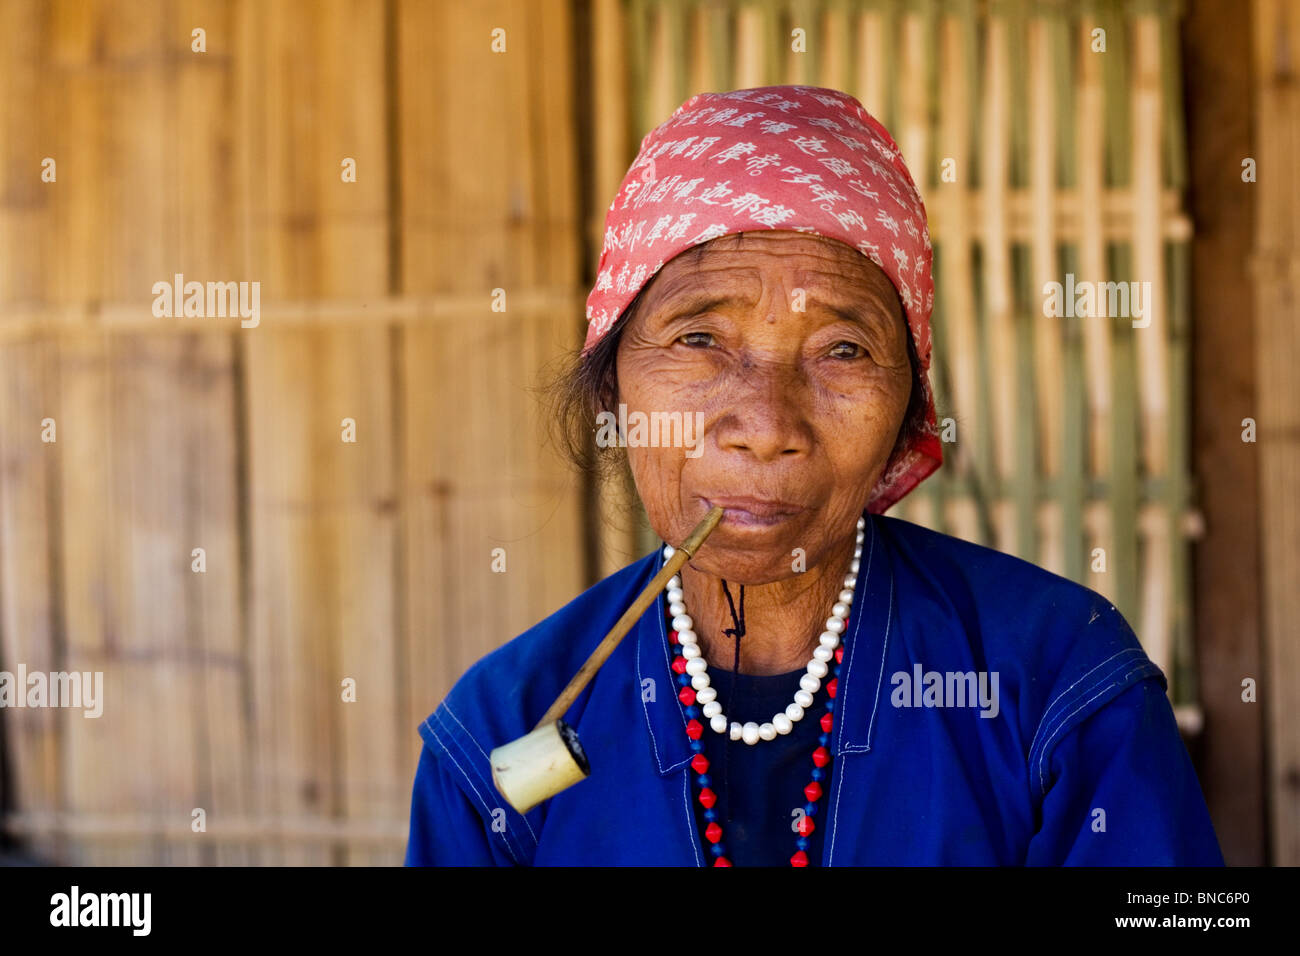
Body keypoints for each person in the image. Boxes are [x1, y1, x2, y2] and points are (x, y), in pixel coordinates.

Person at [404, 84, 1223, 866]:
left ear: (908, 404)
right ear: (613, 378)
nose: (766, 427)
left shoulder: (1057, 686)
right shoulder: (499, 737)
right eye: (699, 339)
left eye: (842, 350)